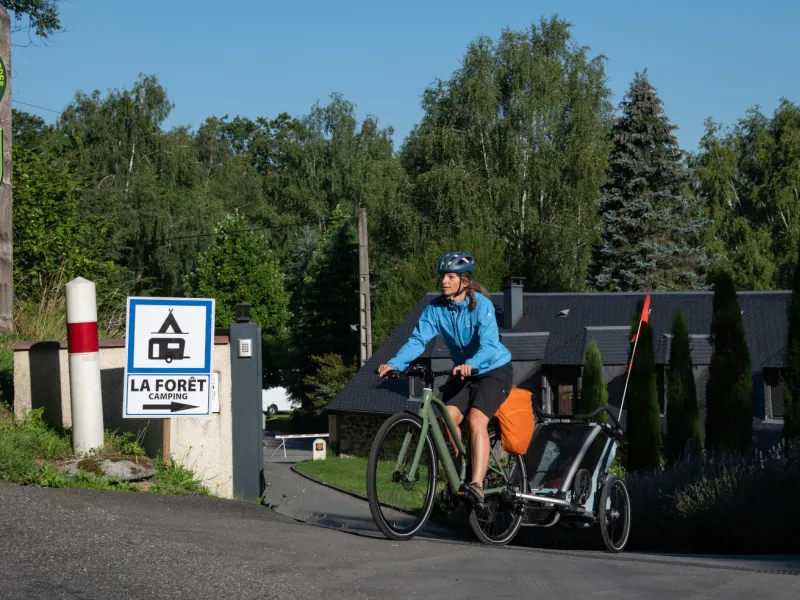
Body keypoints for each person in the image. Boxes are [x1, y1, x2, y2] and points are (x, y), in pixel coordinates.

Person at [377, 251, 513, 507]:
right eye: (442, 276)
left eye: (450, 276)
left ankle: (477, 484)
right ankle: (460, 466)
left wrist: (470, 364)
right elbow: (418, 340)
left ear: (465, 281)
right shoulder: (436, 309)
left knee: (475, 420)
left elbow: (490, 345)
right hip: (463, 371)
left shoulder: (481, 305)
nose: (444, 281)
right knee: (446, 419)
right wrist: (395, 364)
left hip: (494, 370)